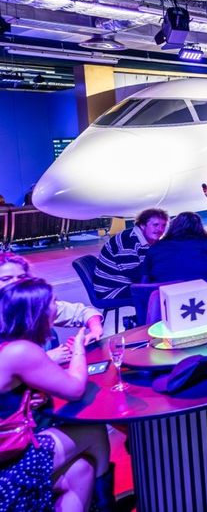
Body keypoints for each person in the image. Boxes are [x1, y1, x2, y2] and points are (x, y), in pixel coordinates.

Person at [0, 277, 113, 512]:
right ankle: (106, 505)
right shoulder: (20, 350)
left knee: (81, 470)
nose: (57, 305)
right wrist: (79, 350)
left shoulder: (8, 341)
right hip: (6, 469)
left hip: (8, 454)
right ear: (37, 310)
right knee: (93, 430)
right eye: (53, 301)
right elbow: (75, 389)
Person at [0, 253, 104, 363]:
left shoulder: (35, 305)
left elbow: (82, 312)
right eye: (6, 279)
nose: (16, 282)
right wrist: (46, 358)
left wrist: (95, 329)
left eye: (22, 277)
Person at [93, 207, 168, 300]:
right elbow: (137, 278)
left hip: (125, 284)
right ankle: (148, 315)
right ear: (143, 225)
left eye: (163, 225)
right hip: (111, 290)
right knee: (159, 291)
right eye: (155, 225)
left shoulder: (144, 238)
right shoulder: (127, 242)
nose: (160, 229)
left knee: (165, 285)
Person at [143, 212, 207, 284]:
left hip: (165, 296)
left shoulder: (155, 247)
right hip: (204, 295)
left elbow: (145, 278)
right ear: (199, 227)